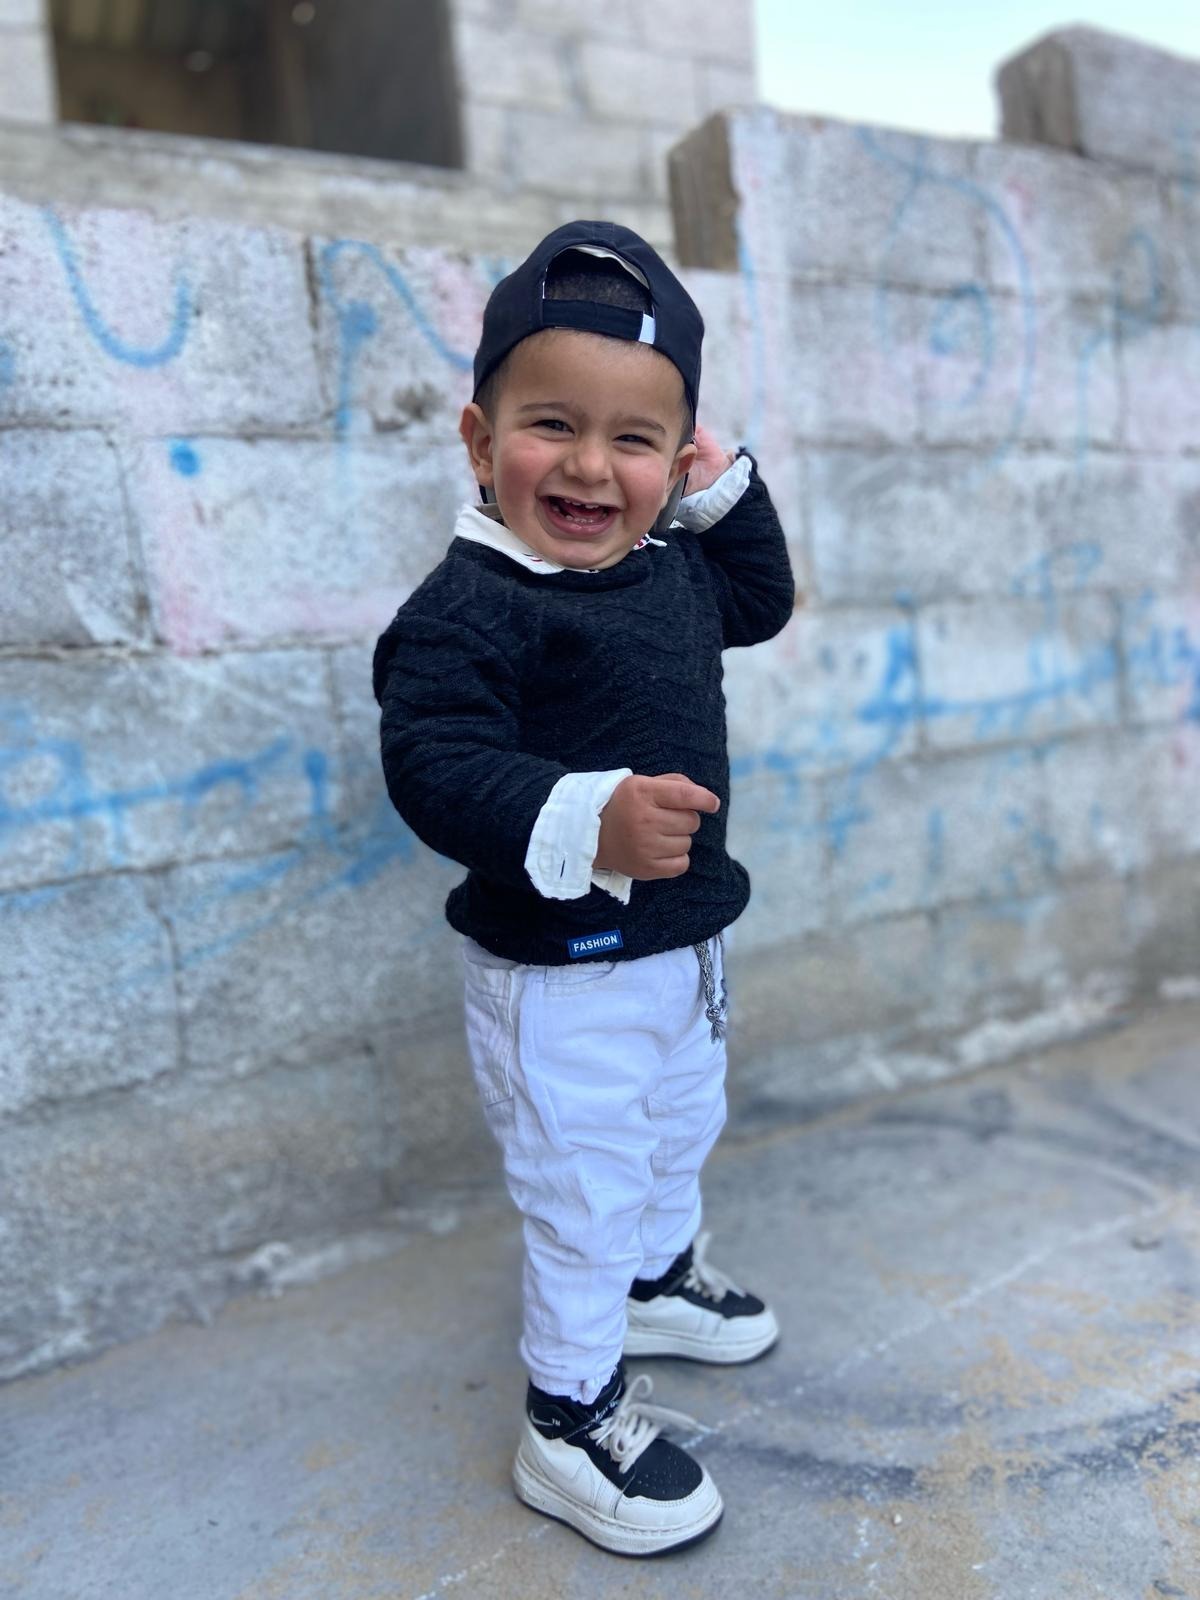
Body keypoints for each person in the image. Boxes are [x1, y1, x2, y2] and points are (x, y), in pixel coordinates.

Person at [372, 220, 794, 1556]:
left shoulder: (669, 565)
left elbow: (764, 600)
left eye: (636, 441)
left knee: (676, 1130)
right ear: (480, 438)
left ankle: (657, 1285)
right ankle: (567, 1420)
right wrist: (586, 817)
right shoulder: (468, 607)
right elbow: (435, 764)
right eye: (552, 425)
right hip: (558, 983)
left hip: (682, 949)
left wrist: (721, 494)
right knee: (586, 1191)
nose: (591, 468)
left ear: (673, 461)